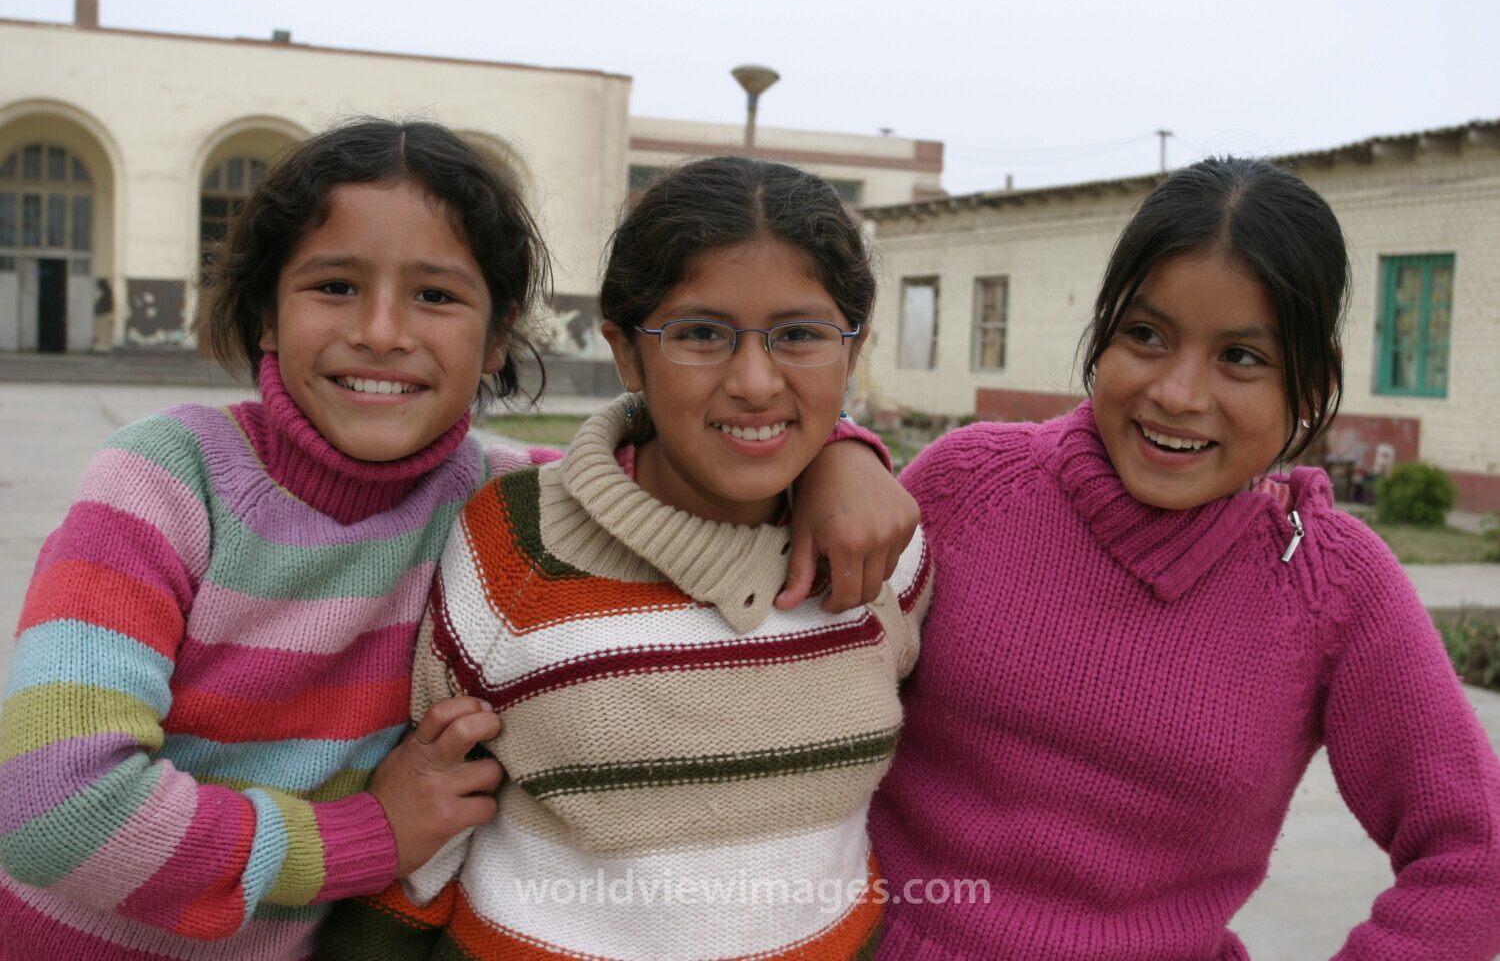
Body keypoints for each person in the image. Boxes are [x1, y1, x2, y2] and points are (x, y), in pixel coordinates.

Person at [0, 123, 917, 961]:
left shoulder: (504, 500)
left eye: (436, 295)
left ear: (496, 338)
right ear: (266, 312)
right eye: (334, 286)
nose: (382, 332)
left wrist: (842, 455)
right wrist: (370, 836)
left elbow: (671, 458)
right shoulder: (164, 482)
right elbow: (54, 806)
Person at [869, 156, 1500, 961]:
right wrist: (840, 458)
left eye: (1241, 357)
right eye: (1145, 335)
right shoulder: (971, 484)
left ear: (1311, 387)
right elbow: (790, 682)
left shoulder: (1332, 585)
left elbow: (1476, 853)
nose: (1177, 392)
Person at [319, 156, 933, 960]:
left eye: (800, 335)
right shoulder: (516, 548)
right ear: (627, 353)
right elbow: (431, 825)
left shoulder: (887, 551)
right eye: (701, 334)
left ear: (853, 349)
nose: (755, 380)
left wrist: (850, 451)